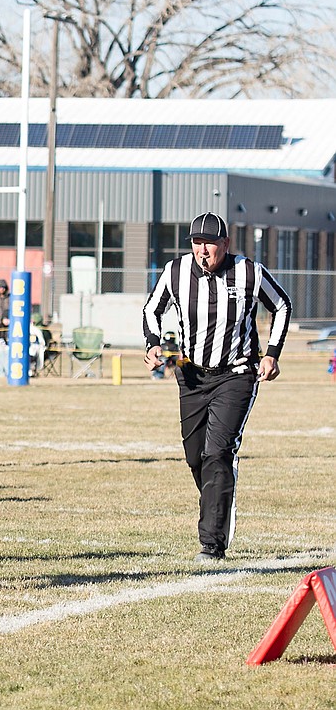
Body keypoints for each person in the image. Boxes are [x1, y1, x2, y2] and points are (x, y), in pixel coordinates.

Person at [142, 212, 291, 563]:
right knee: (196, 456)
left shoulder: (249, 272)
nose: (202, 250)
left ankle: (212, 543)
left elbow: (282, 305)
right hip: (189, 372)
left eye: (210, 242)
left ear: (225, 243)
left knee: (218, 452)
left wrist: (271, 353)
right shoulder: (175, 271)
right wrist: (152, 343)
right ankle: (221, 497)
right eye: (196, 242)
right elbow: (152, 309)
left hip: (236, 373)